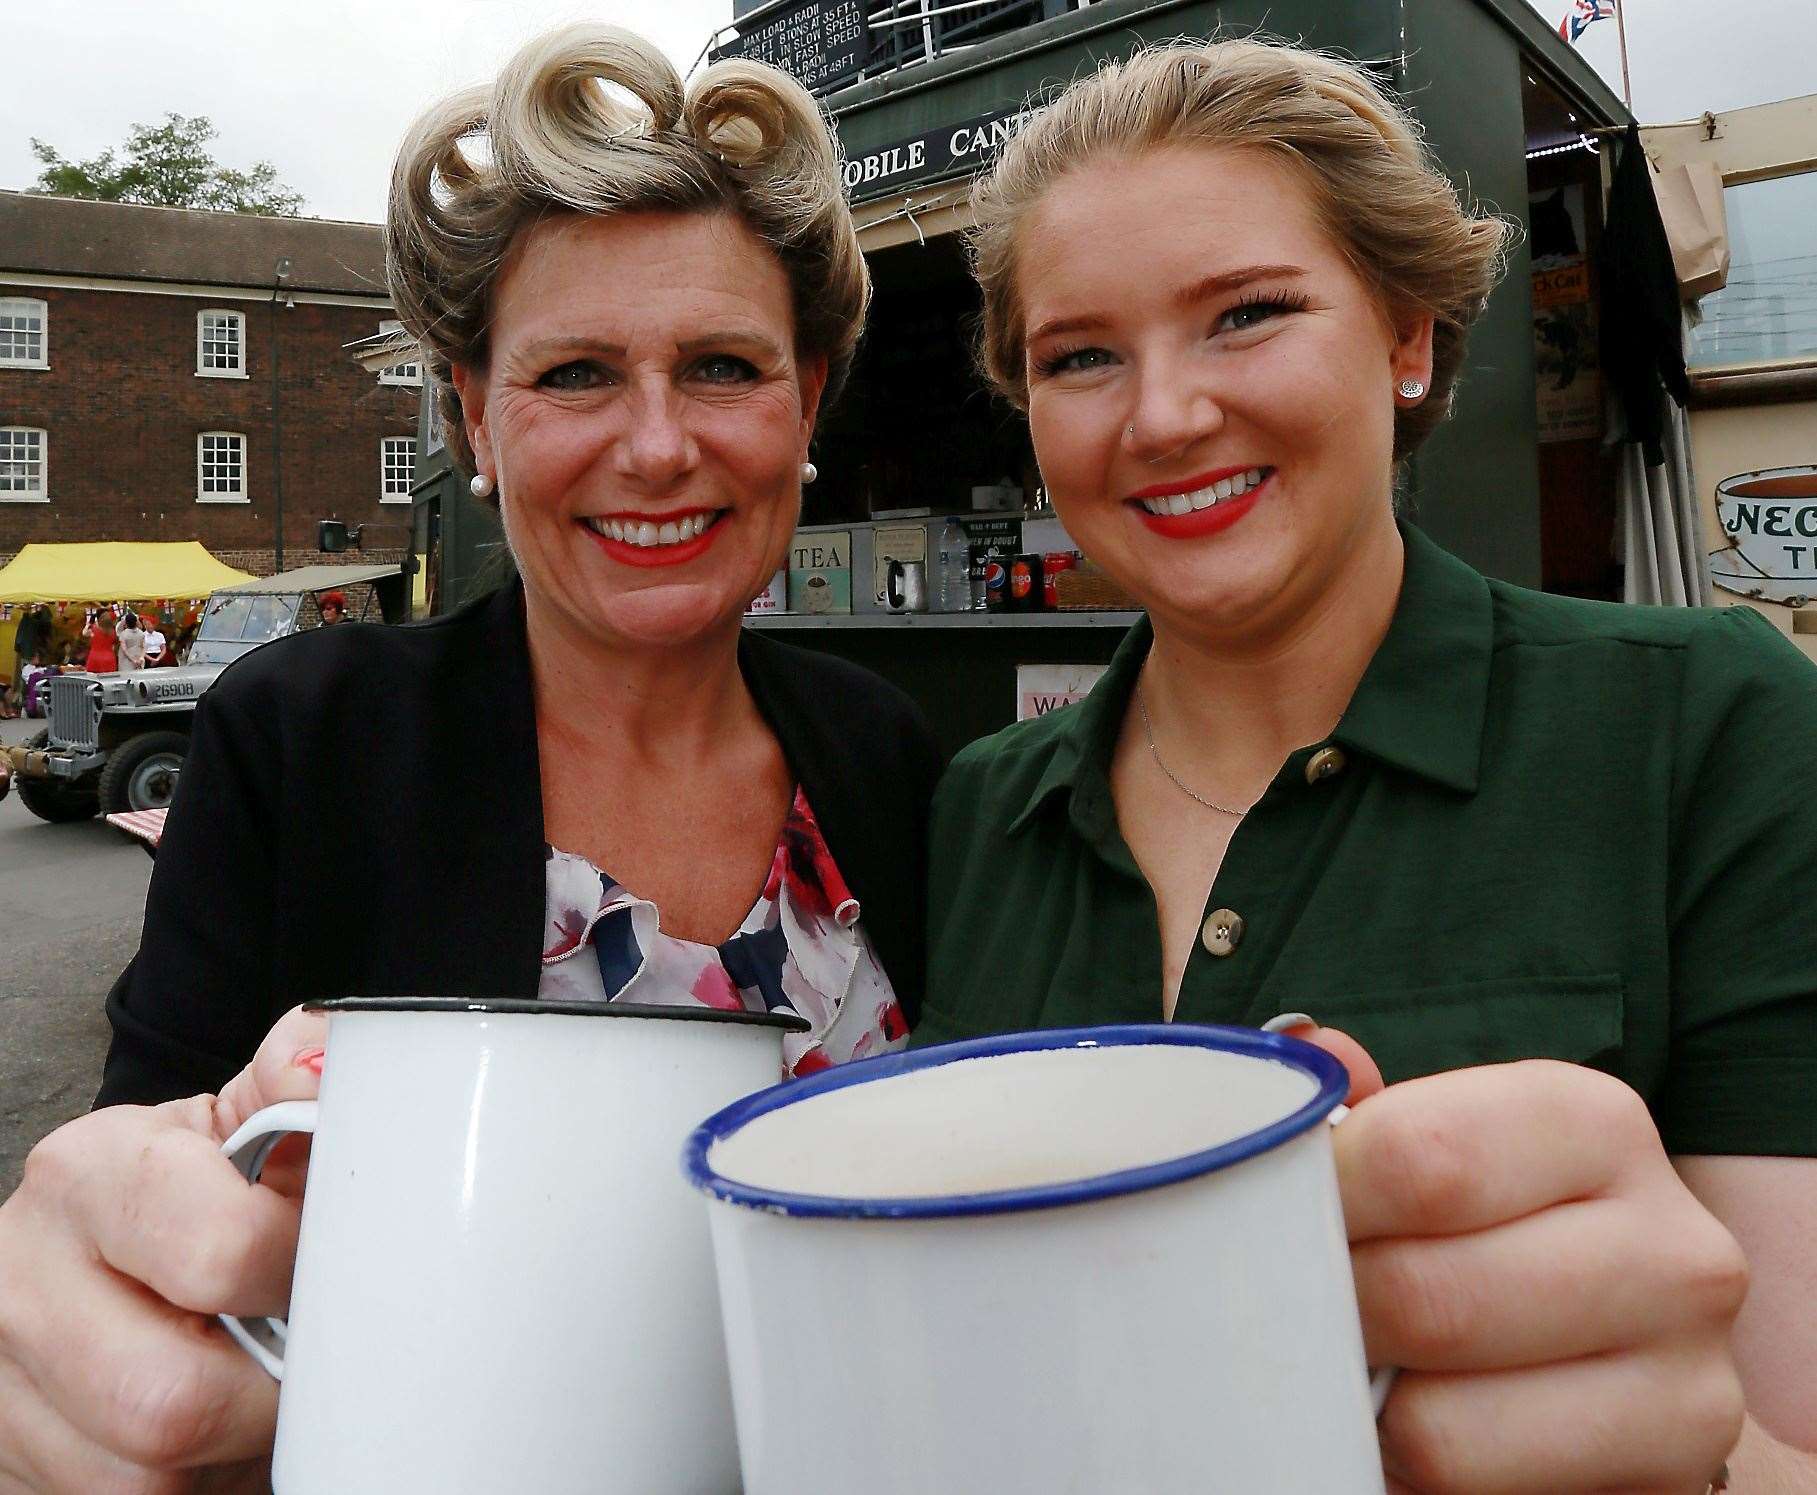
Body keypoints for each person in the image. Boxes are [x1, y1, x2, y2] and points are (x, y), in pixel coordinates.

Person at [0, 25, 939, 1491]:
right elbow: (155, 1162)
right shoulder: (302, 736)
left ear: (804, 402)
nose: (655, 442)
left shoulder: (882, 749)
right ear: (471, 419)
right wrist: (94, 1303)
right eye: (572, 373)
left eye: (720, 366)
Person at [926, 40, 1816, 1492]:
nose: (1159, 416)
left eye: (1246, 314)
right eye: (1078, 353)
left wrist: (1696, 1459)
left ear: (1407, 338)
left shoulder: (1707, 729)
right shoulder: (977, 806)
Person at [80, 609, 118, 674]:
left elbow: (84, 633)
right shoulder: (113, 633)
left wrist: (88, 624)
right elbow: (114, 646)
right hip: (109, 658)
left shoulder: (93, 630)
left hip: (94, 657)